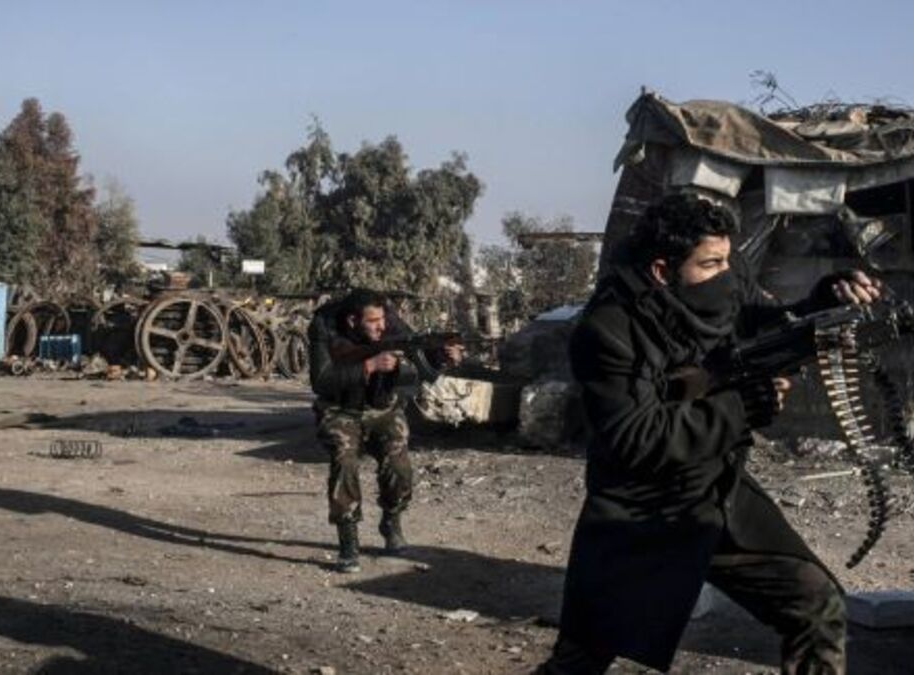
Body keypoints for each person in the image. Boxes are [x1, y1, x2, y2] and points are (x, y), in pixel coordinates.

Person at [537, 193, 883, 674]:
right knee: (582, 657)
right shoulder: (609, 329)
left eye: (726, 258)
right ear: (662, 270)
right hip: (641, 511)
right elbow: (635, 437)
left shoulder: (724, 280)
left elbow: (757, 323)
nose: (725, 273)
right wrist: (742, 407)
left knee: (817, 605)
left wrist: (822, 304)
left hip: (717, 492)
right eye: (710, 264)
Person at [306, 288, 464, 573]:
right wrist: (368, 366)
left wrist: (442, 357)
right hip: (340, 410)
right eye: (373, 321)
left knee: (400, 468)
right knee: (344, 463)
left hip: (383, 408)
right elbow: (322, 381)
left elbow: (418, 353)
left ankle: (391, 520)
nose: (382, 326)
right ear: (353, 321)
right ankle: (348, 539)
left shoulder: (389, 321)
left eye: (383, 319)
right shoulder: (324, 327)